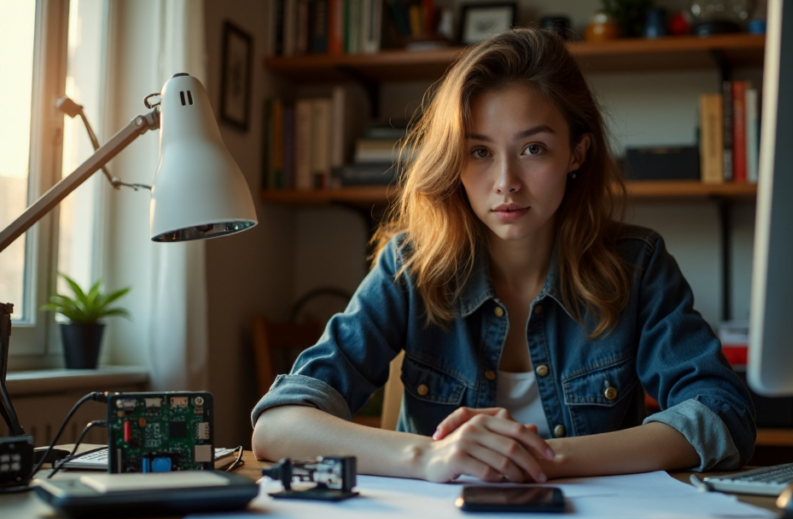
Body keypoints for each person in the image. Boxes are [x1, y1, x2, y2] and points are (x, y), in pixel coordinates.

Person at [251, 28, 755, 484]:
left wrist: (539, 457)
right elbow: (279, 424)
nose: (506, 182)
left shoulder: (637, 264)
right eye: (479, 151)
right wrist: (429, 456)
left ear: (577, 153)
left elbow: (722, 413)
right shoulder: (411, 264)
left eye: (533, 148)